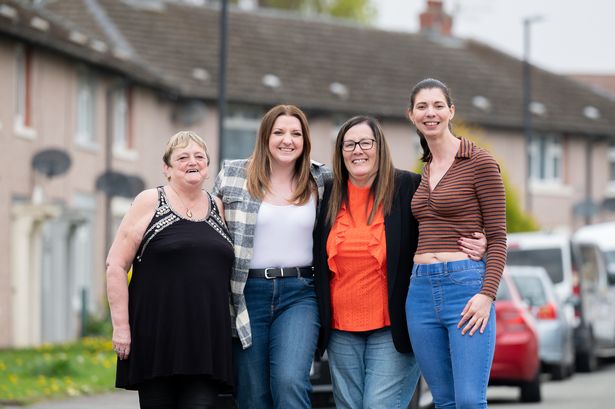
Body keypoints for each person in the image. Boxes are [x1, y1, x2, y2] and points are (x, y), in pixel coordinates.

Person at [313, 116, 487, 409]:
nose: (358, 150)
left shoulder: (408, 187)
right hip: (340, 330)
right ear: (340, 152)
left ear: (380, 148)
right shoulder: (327, 193)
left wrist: (478, 241)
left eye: (366, 143)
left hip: (393, 328)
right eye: (349, 144)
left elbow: (441, 218)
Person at [212, 105, 330, 409]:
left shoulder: (322, 180)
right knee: (252, 394)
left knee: (290, 382)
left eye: (295, 133)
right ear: (265, 136)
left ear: (305, 140)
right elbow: (207, 225)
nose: (286, 140)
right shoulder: (234, 174)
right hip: (247, 295)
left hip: (300, 294)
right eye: (278, 132)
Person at [106, 131, 234, 408]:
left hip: (207, 339)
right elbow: (115, 265)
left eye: (200, 157)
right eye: (183, 157)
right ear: (167, 168)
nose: (193, 162)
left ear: (208, 166)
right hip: (157, 335)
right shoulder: (149, 201)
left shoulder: (219, 207)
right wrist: (121, 328)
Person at [405, 78, 507, 409]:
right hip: (419, 292)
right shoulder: (425, 169)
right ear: (411, 115)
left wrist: (486, 294)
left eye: (437, 105)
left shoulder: (480, 162)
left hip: (465, 288)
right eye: (422, 106)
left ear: (451, 111)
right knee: (444, 400)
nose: (429, 113)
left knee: (467, 400)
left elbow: (499, 237)